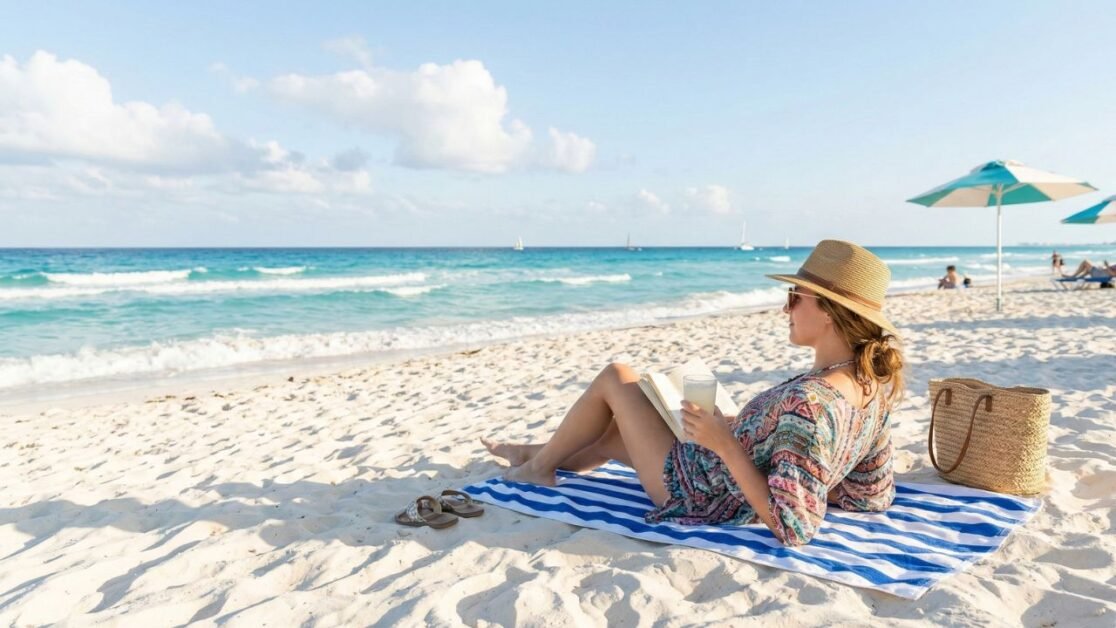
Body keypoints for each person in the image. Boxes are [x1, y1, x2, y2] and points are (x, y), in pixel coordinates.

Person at [482, 240, 905, 547]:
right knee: (613, 435)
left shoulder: (812, 402)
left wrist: (727, 444)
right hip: (715, 470)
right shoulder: (870, 386)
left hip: (698, 492)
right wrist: (769, 444)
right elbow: (872, 493)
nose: (785, 308)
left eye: (794, 297)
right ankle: (532, 453)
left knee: (616, 376)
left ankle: (538, 468)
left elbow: (793, 528)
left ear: (829, 312)